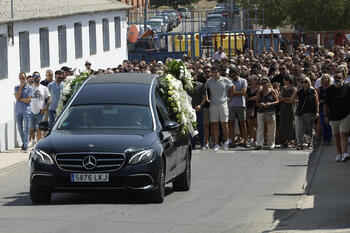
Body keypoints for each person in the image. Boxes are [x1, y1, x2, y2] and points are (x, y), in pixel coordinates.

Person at [204, 66, 235, 150]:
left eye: (216, 72)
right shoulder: (209, 81)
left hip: (223, 105)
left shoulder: (225, 80)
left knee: (224, 124)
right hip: (213, 105)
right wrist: (206, 98)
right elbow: (204, 89)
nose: (214, 74)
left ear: (219, 72)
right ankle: (216, 143)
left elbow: (232, 87)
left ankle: (226, 142)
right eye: (213, 72)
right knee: (215, 125)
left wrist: (230, 98)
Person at [324, 69, 350, 162]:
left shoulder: (347, 88)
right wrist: (326, 115)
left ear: (343, 78)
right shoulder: (329, 90)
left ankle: (344, 153)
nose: (337, 79)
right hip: (333, 116)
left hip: (346, 115)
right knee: (336, 135)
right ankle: (339, 153)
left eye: (339, 77)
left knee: (343, 134)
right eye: (335, 77)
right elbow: (326, 104)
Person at [228, 66, 249, 148]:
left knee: (243, 123)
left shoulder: (243, 81)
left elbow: (243, 92)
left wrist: (233, 93)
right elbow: (228, 94)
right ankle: (232, 141)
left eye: (232, 74)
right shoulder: (229, 82)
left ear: (236, 73)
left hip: (241, 105)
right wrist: (235, 93)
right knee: (231, 124)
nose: (231, 76)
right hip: (231, 105)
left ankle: (246, 141)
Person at [255, 77, 279, 150]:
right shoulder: (260, 92)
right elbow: (256, 103)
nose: (264, 84)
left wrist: (270, 103)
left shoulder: (272, 91)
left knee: (271, 128)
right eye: (262, 83)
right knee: (260, 128)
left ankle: (271, 144)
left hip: (270, 111)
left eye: (265, 83)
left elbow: (277, 101)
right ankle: (259, 144)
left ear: (268, 83)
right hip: (261, 111)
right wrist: (261, 104)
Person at [295, 77, 319, 150]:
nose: (304, 83)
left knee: (309, 128)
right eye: (303, 82)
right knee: (300, 129)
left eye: (306, 82)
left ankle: (309, 143)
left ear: (309, 83)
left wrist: (317, 111)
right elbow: (293, 98)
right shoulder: (300, 91)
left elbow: (316, 101)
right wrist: (297, 89)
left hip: (310, 112)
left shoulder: (312, 91)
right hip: (301, 112)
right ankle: (300, 144)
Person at [29, 72, 51, 147]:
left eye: (37, 76)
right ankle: (33, 140)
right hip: (31, 111)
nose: (36, 77)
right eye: (34, 76)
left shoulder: (44, 88)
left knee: (39, 128)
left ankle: (38, 143)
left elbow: (49, 99)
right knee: (31, 128)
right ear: (32, 78)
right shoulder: (29, 88)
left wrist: (45, 108)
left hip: (40, 111)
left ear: (40, 77)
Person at [14, 72, 33, 152]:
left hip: (26, 111)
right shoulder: (16, 87)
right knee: (19, 128)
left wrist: (20, 98)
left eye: (23, 78)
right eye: (21, 78)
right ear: (19, 79)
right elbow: (17, 97)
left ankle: (25, 146)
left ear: (26, 78)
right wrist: (21, 88)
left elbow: (29, 100)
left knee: (26, 129)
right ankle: (24, 142)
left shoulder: (30, 88)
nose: (22, 79)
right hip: (18, 111)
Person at [278, 76, 297, 148]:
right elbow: (279, 98)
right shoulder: (283, 88)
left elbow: (292, 100)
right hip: (283, 108)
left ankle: (290, 140)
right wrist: (286, 99)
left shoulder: (294, 89)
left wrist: (284, 100)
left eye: (284, 80)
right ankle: (284, 140)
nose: (283, 81)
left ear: (288, 80)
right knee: (283, 123)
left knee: (290, 124)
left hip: (291, 108)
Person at [189, 72, 206, 150]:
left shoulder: (201, 85)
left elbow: (204, 97)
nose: (192, 77)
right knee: (191, 128)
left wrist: (200, 105)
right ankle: (192, 145)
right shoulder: (186, 85)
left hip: (198, 109)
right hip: (190, 110)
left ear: (196, 76)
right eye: (191, 76)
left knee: (200, 127)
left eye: (193, 75)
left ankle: (202, 144)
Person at [317, 74, 332, 144]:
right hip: (321, 108)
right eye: (324, 78)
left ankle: (329, 138)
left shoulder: (331, 88)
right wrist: (322, 101)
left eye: (326, 78)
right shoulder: (320, 89)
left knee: (329, 124)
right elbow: (317, 99)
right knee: (323, 123)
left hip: (330, 108)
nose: (325, 80)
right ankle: (325, 138)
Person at [246, 75, 260, 147]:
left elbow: (257, 97)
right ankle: (254, 139)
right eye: (250, 80)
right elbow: (245, 96)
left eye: (252, 80)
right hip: (249, 107)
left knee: (256, 125)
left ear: (256, 81)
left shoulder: (259, 88)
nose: (250, 81)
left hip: (256, 108)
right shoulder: (248, 88)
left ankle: (257, 139)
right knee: (250, 125)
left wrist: (249, 98)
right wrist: (249, 99)